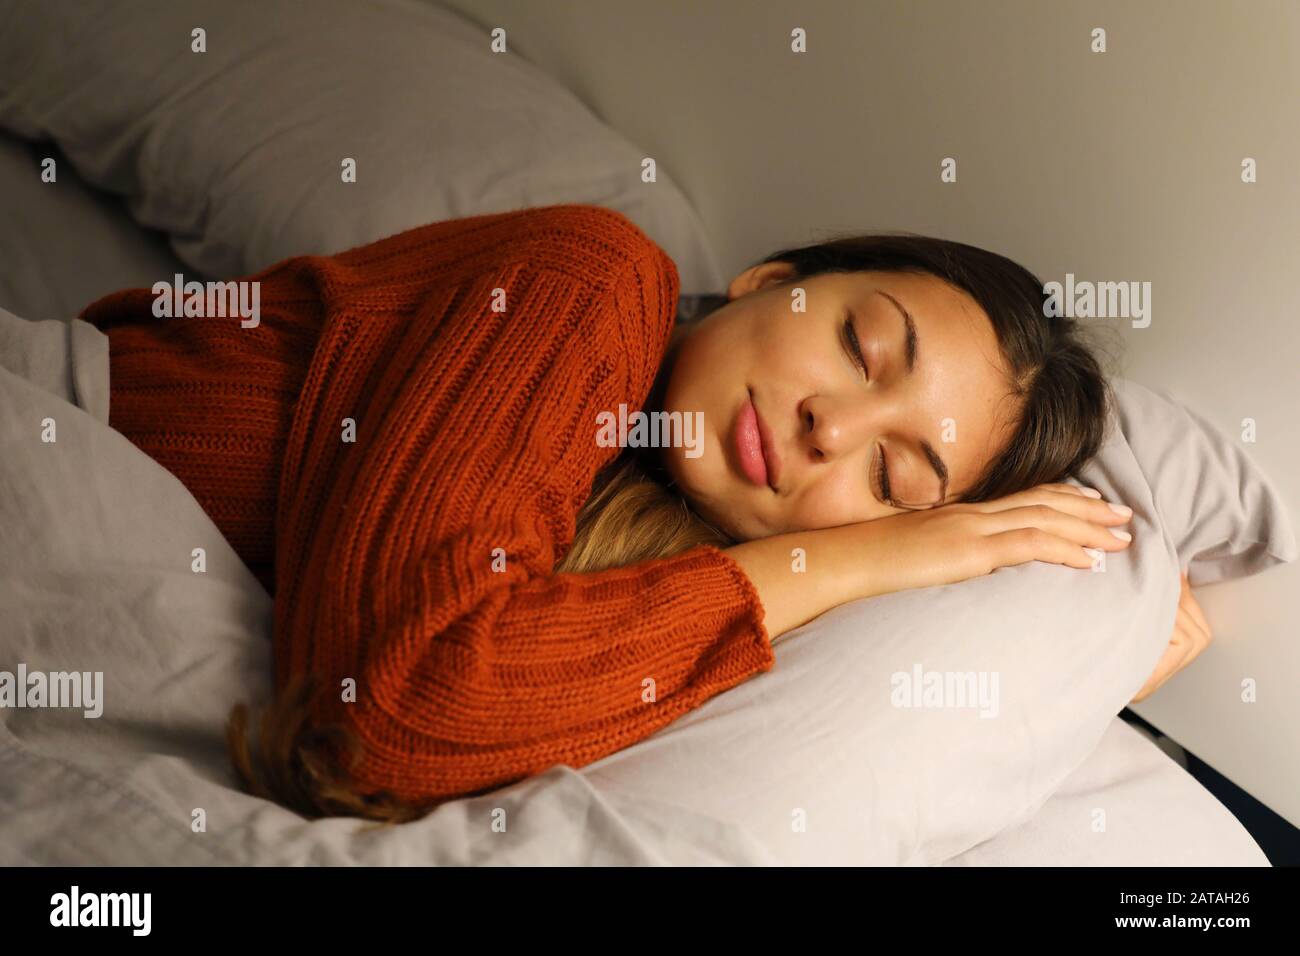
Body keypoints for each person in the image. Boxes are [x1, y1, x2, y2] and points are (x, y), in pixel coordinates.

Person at [77, 205, 1208, 824]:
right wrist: (852, 548)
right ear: (769, 279)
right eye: (861, 347)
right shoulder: (591, 278)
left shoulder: (660, 571)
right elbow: (391, 703)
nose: (829, 426)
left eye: (892, 483)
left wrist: (1089, 675)